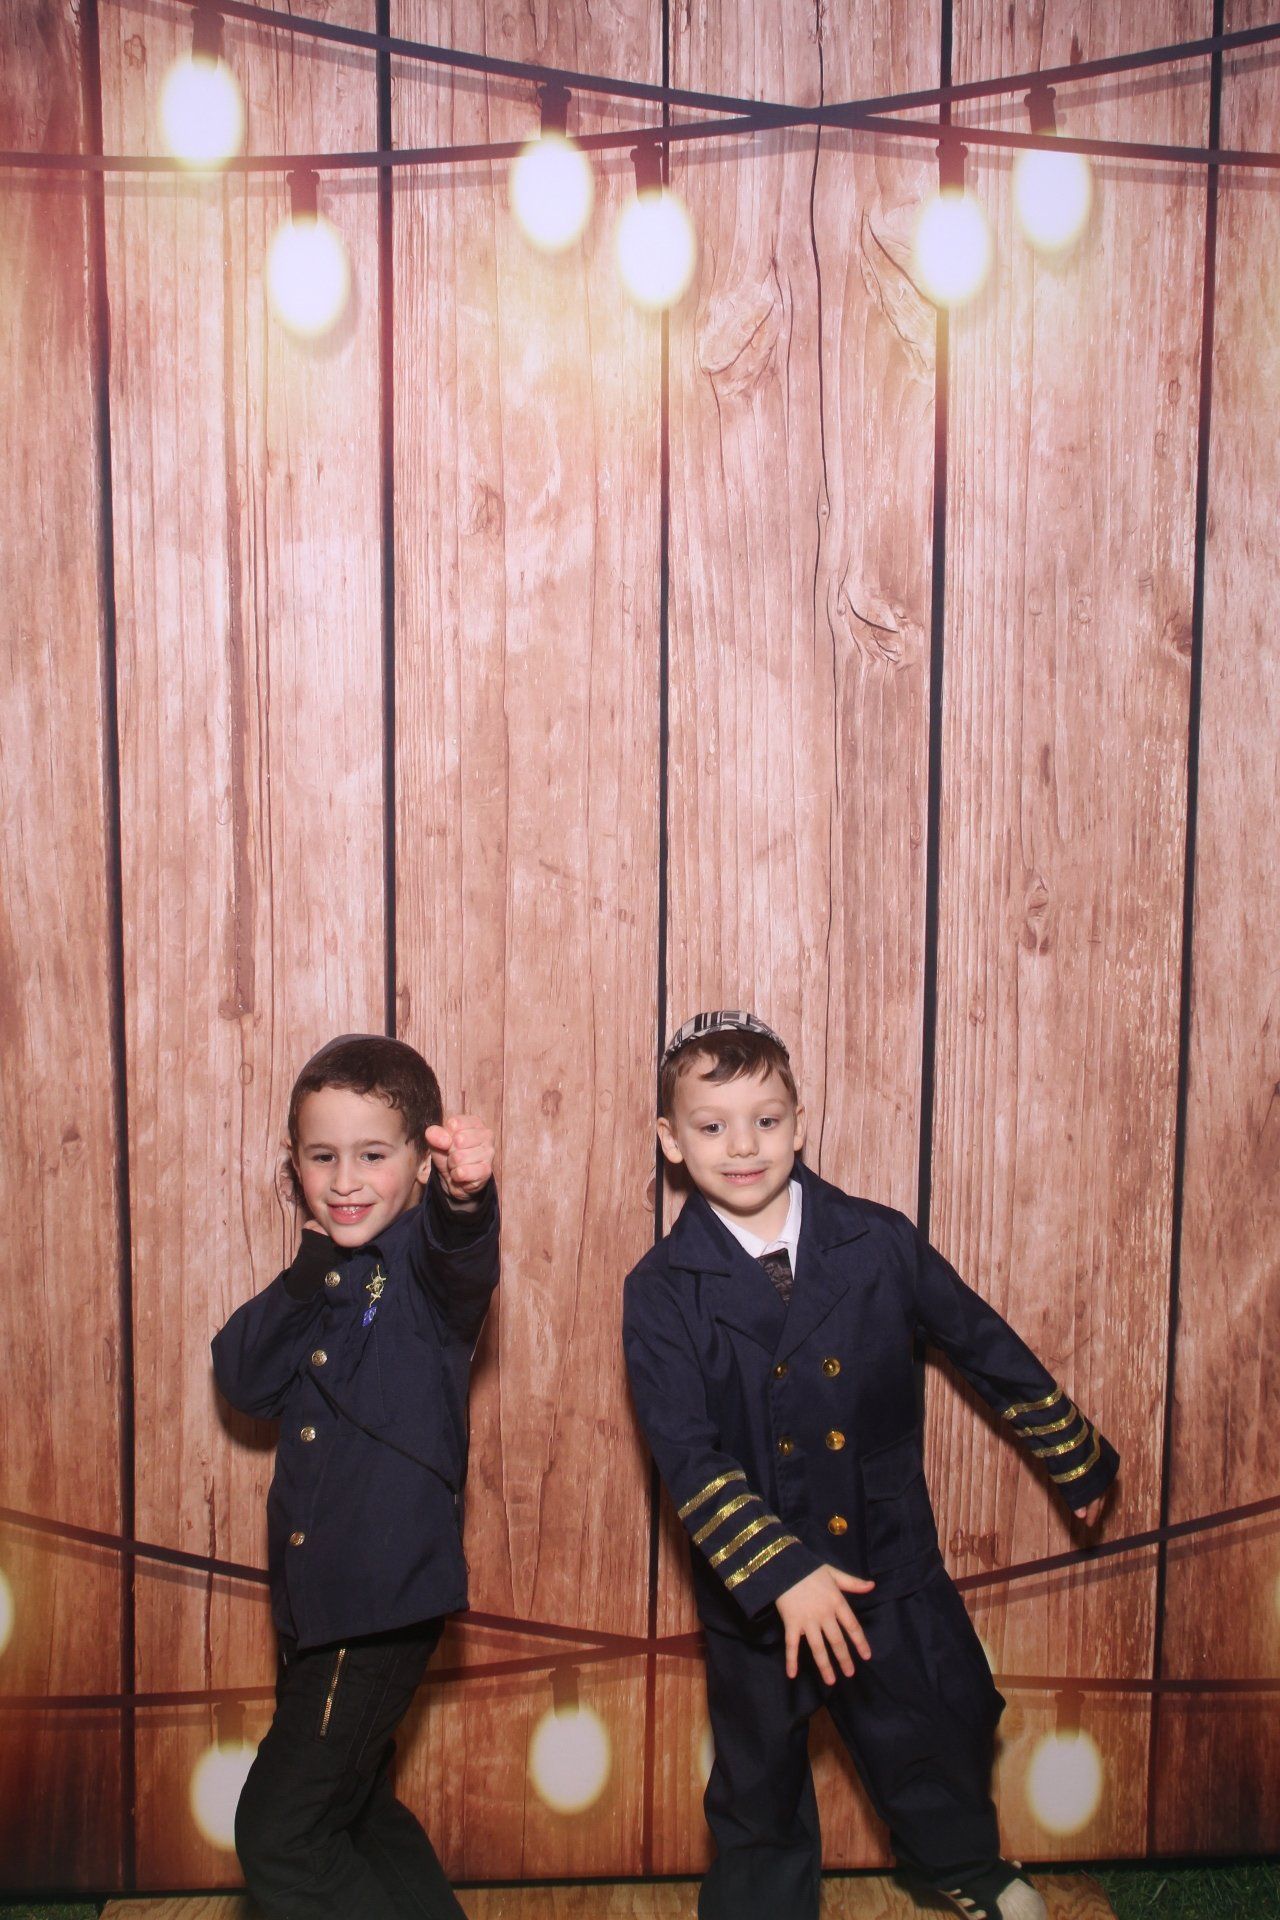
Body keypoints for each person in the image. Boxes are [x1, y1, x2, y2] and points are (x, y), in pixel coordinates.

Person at [622, 1011, 1117, 1920]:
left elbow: (980, 1340)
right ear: (671, 1140)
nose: (743, 1146)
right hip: (757, 1594)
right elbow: (686, 1454)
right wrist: (781, 1575)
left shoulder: (878, 1240)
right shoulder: (660, 1291)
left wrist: (1071, 1456)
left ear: (800, 1123)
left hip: (887, 1560)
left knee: (942, 1724)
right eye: (713, 1125)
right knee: (758, 1787)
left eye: (766, 1120)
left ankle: (960, 1867)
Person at [212, 1033, 498, 1919]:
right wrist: (307, 1272)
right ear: (293, 1162)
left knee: (282, 1834)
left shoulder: (424, 1267)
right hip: (318, 1605)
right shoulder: (322, 1274)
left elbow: (461, 1252)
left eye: (373, 1156)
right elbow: (244, 1378)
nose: (344, 1181)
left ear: (421, 1162)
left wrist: (465, 1200)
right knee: (357, 1811)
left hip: (376, 1606)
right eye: (321, 1156)